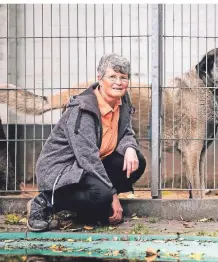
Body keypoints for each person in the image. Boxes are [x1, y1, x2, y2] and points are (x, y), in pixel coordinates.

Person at [27, 53, 146, 232]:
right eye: (112, 77)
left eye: (123, 77)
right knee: (101, 195)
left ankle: (85, 207)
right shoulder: (83, 109)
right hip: (63, 168)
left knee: (137, 161)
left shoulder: (123, 99)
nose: (118, 82)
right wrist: (112, 195)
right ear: (100, 79)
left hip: (88, 165)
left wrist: (129, 147)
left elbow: (126, 131)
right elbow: (87, 157)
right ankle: (44, 202)